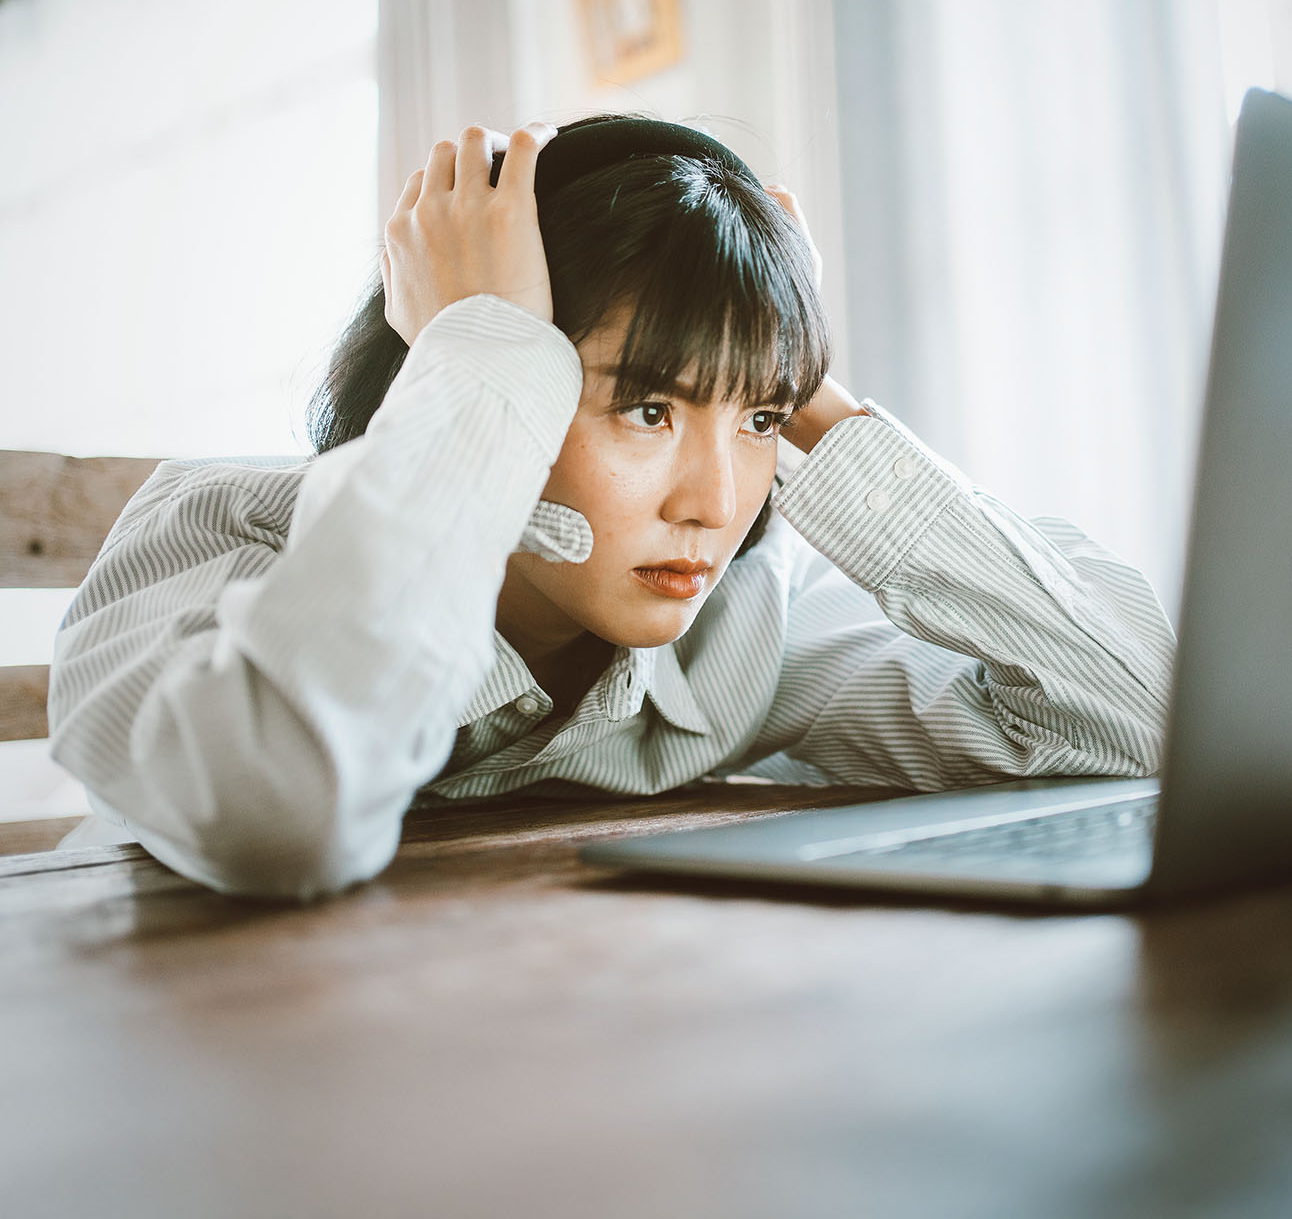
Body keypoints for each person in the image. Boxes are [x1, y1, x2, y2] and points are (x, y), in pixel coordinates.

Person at [48, 114, 1175, 899]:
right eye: (644, 409)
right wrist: (480, 356)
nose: (717, 503)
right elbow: (280, 813)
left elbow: (1137, 722)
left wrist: (791, 365)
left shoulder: (745, 625)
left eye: (761, 423)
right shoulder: (213, 540)